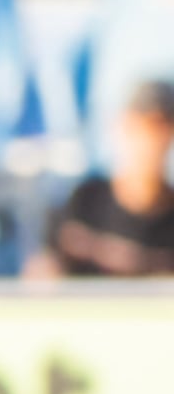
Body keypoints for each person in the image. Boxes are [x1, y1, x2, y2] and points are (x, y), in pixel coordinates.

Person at [34, 83, 174, 279]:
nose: (151, 140)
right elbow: (42, 271)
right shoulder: (85, 201)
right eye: (142, 125)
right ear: (122, 126)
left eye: (161, 127)